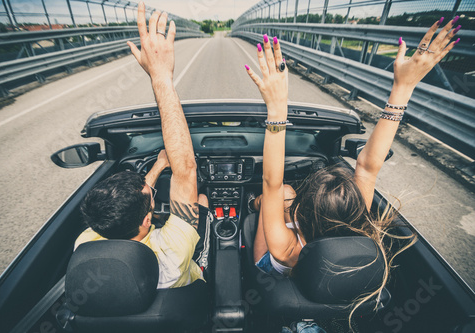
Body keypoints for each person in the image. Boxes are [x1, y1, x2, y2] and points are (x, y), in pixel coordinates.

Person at [244, 17, 460, 321]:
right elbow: (368, 167)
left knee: (279, 196)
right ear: (356, 211)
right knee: (282, 195)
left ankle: (255, 206)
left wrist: (278, 107)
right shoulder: (358, 229)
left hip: (288, 280)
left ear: (301, 215)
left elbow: (272, 184)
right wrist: (404, 85)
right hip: (327, 309)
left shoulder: (286, 251)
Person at [74, 2, 213, 289]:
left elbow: (174, 174)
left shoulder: (86, 243)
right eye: (149, 197)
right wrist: (161, 76)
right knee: (203, 203)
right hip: (187, 282)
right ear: (147, 220)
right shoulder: (174, 250)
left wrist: (159, 166)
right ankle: (206, 262)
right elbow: (186, 169)